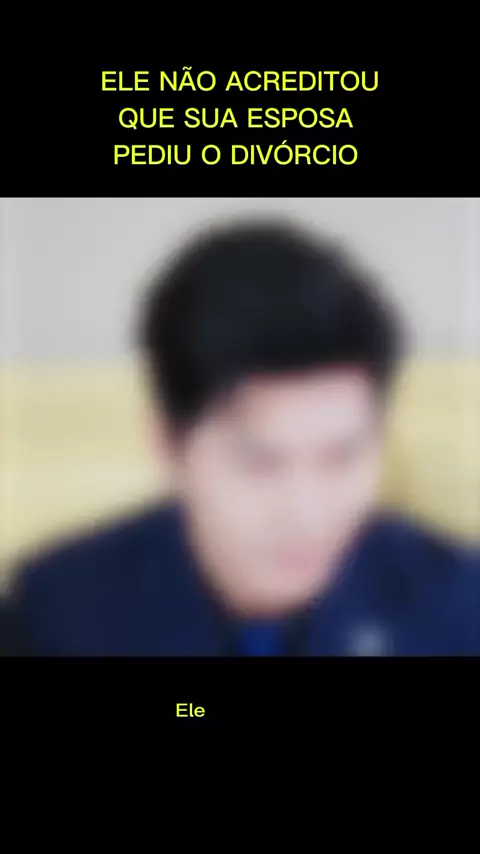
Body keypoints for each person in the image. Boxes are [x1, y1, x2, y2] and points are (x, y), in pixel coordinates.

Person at [7, 219, 480, 656]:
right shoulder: (54, 618)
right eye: (261, 464)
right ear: (168, 446)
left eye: (342, 456)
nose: (306, 513)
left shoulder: (458, 608)